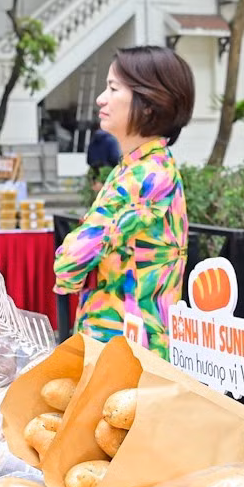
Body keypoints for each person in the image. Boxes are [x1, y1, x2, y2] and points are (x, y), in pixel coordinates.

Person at [53, 45, 195, 358]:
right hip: (123, 345)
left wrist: (71, 255)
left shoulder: (145, 176)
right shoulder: (144, 167)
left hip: (128, 352)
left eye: (113, 88)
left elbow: (69, 264)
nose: (101, 99)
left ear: (148, 104)